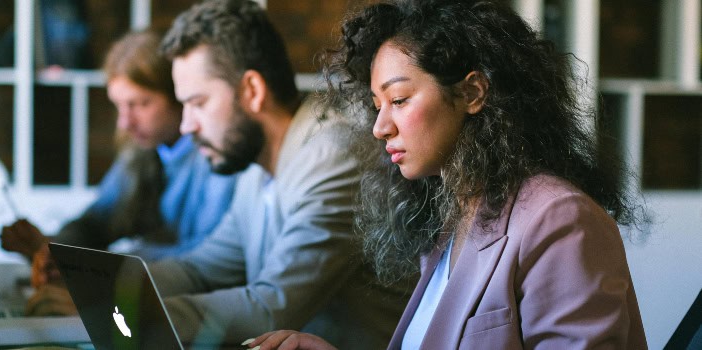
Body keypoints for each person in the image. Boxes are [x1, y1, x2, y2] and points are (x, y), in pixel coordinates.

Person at [247, 0, 649, 349]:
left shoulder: (560, 219)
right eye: (377, 104)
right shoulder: (451, 222)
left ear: (472, 93)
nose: (380, 126)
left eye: (400, 99)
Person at [145, 0, 412, 348]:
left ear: (252, 91)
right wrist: (108, 284)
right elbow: (200, 269)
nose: (186, 125)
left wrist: (136, 313)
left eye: (198, 103)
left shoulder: (335, 153)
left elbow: (272, 307)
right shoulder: (257, 168)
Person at [0, 30, 237, 313]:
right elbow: (97, 222)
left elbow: (205, 261)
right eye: (119, 106)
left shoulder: (218, 156)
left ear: (179, 96)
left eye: (140, 104)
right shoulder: (142, 151)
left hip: (197, 309)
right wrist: (56, 249)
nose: (125, 122)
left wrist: (99, 266)